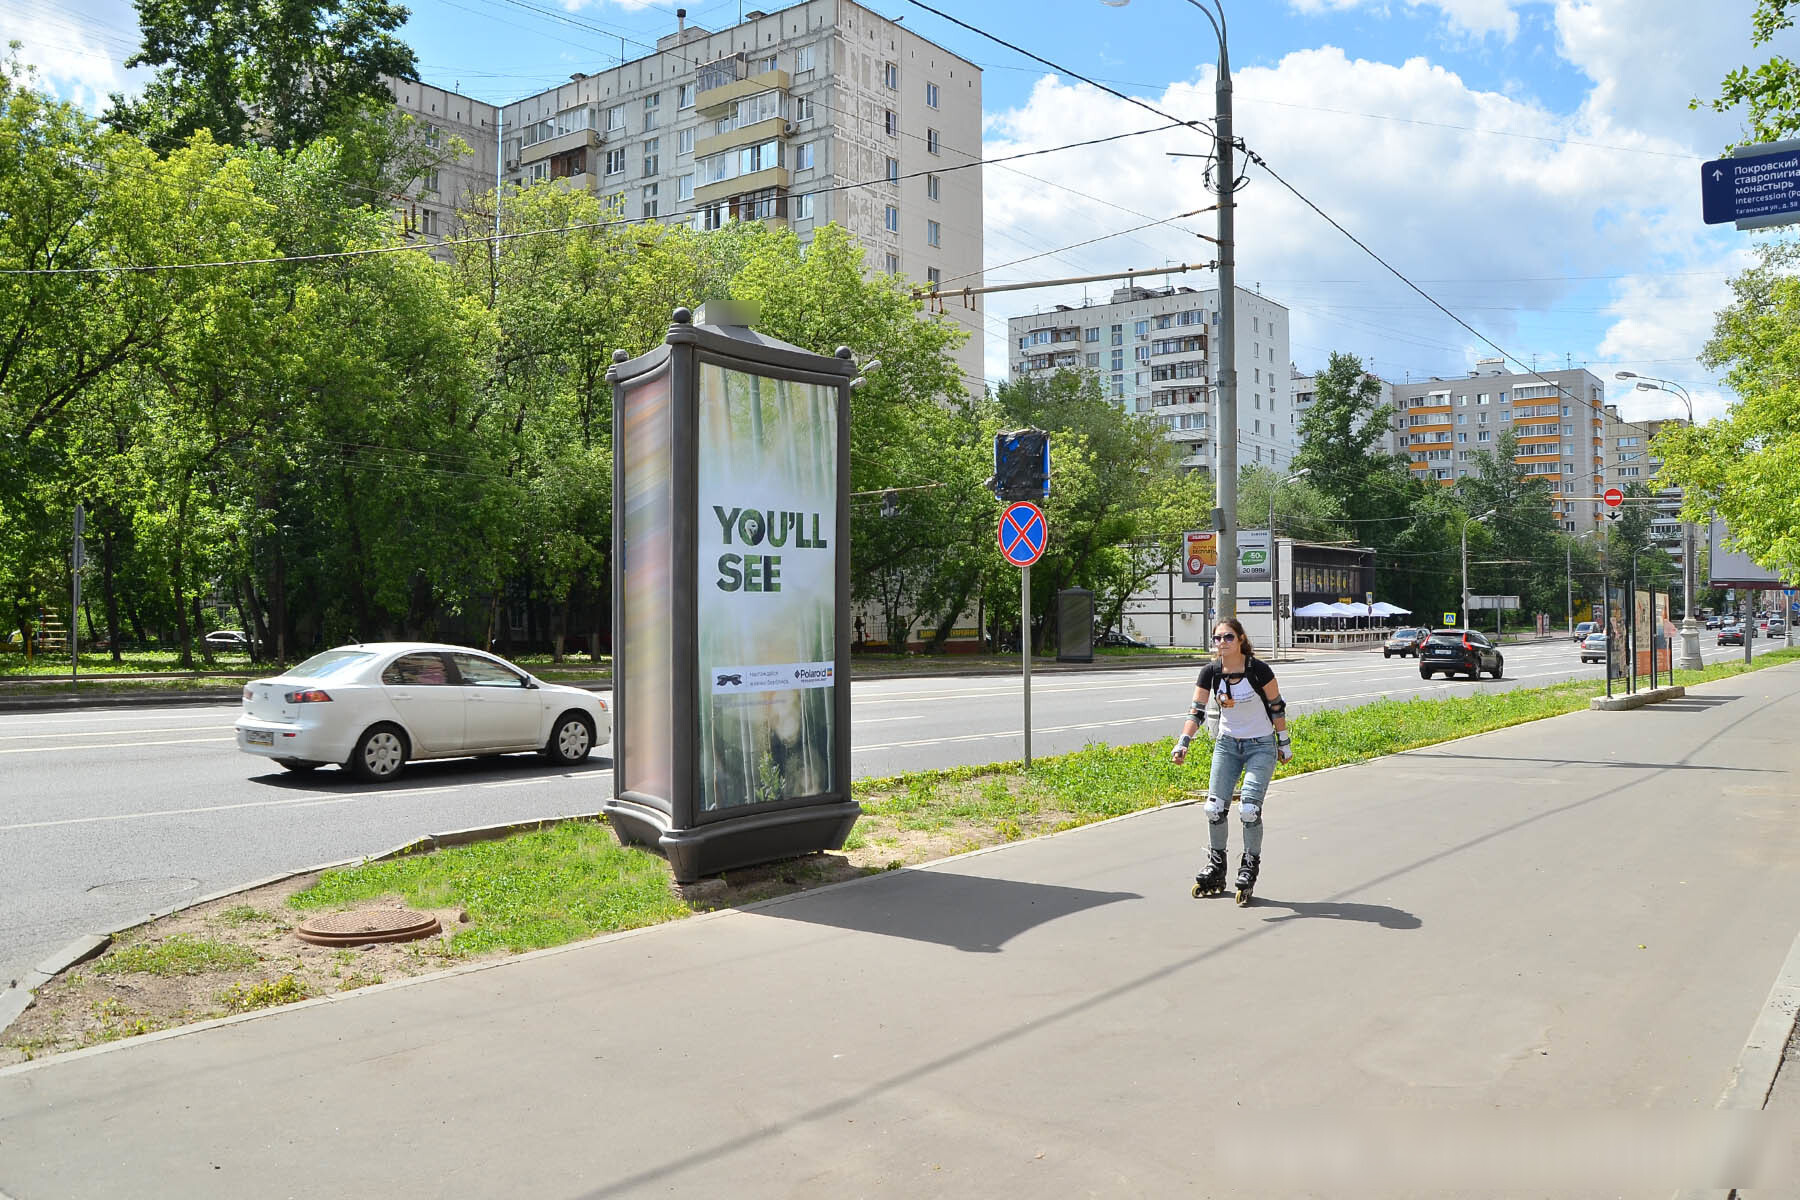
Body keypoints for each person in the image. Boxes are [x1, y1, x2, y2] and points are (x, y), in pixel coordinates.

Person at [1170, 617, 1293, 903]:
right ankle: (1216, 865)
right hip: (1227, 745)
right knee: (1214, 808)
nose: (1222, 643)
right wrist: (1183, 742)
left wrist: (1284, 743)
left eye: (1228, 637)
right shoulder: (1210, 672)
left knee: (1249, 809)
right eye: (1217, 638)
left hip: (1260, 745)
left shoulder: (1259, 670)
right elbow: (1196, 711)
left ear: (1240, 640)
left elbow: (1276, 707)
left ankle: (1249, 865)